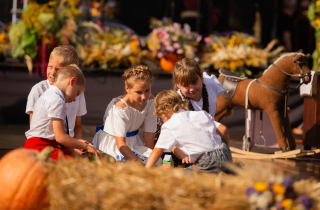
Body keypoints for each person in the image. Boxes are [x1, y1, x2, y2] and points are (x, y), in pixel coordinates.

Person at [145, 90, 232, 173]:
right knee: (217, 167)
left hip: (208, 161)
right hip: (225, 153)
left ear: (162, 113)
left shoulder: (169, 125)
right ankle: (228, 171)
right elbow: (223, 129)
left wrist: (145, 171)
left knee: (178, 176)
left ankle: (213, 174)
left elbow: (157, 151)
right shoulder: (200, 114)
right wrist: (225, 152)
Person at [25, 65, 101, 160]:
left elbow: (61, 140)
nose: (74, 99)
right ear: (72, 81)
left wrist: (76, 156)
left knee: (74, 161)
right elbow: (61, 137)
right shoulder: (56, 99)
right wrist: (86, 146)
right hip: (39, 146)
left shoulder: (53, 95)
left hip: (47, 145)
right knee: (70, 165)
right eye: (77, 93)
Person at [92, 65, 162, 165]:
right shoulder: (120, 107)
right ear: (127, 89)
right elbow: (121, 144)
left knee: (158, 162)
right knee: (125, 166)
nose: (144, 96)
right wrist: (139, 164)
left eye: (147, 90)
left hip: (133, 143)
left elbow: (148, 133)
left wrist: (150, 160)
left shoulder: (150, 100)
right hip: (114, 144)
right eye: (138, 92)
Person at [25, 45, 87, 156]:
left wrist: (77, 145)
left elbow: (77, 125)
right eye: (50, 66)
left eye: (58, 69)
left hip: (67, 143)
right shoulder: (39, 90)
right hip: (49, 144)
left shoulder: (77, 93)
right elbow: (35, 127)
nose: (52, 72)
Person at [155, 58, 228, 147]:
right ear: (178, 84)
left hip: (209, 128)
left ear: (201, 77)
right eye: (185, 85)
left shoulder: (210, 83)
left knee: (223, 130)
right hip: (189, 136)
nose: (192, 89)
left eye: (194, 82)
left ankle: (227, 155)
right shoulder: (178, 102)